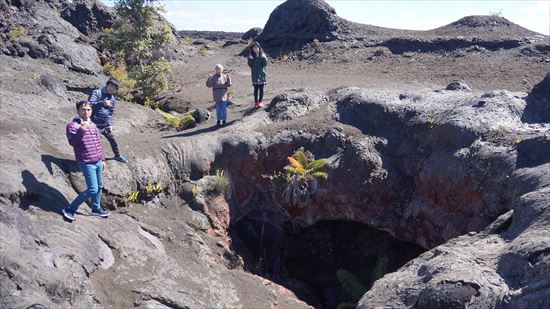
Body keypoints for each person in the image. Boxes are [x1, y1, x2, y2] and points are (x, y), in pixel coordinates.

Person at [62, 100, 111, 222]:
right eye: (83, 109)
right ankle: (70, 209)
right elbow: (73, 142)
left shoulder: (93, 125)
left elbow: (98, 143)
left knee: (99, 186)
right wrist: (82, 129)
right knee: (92, 189)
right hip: (86, 161)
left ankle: (96, 208)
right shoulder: (72, 126)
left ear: (91, 111)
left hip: (98, 161)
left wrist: (103, 159)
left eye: (88, 109)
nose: (86, 112)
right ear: (78, 111)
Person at [88, 78, 128, 163]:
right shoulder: (97, 92)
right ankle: (92, 159)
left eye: (114, 88)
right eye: (111, 86)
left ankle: (117, 156)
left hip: (105, 125)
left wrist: (110, 124)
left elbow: (110, 113)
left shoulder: (112, 99)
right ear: (107, 84)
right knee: (95, 143)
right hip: (94, 124)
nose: (112, 89)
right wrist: (102, 103)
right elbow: (89, 104)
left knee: (113, 140)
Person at [247, 42, 268, 108]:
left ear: (259, 48)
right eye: (254, 48)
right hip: (255, 75)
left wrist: (264, 58)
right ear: (252, 49)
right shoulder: (252, 56)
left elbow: (264, 64)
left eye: (257, 47)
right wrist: (250, 59)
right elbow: (250, 65)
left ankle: (260, 102)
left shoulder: (262, 55)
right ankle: (256, 102)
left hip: (261, 75)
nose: (255, 49)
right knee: (255, 90)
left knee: (261, 89)